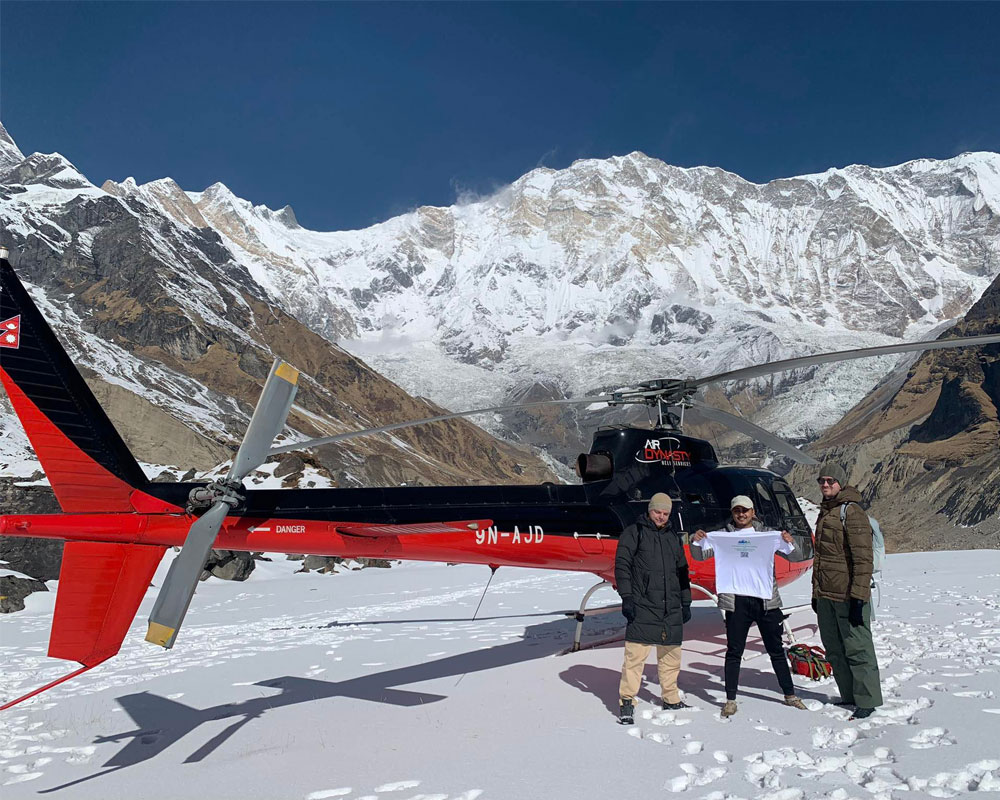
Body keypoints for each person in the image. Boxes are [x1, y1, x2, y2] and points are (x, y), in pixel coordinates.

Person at [691, 495, 810, 718]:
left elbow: (795, 556)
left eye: (745, 510)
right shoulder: (722, 536)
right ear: (732, 512)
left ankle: (790, 694)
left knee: (775, 649)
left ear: (753, 512)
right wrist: (695, 541)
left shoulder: (767, 535)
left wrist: (789, 541)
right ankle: (730, 699)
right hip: (736, 601)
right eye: (737, 510)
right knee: (734, 651)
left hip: (765, 600)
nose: (741, 514)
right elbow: (699, 555)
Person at [812, 463, 883, 720]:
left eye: (831, 480)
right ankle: (849, 695)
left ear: (841, 483)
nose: (826, 484)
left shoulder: (851, 512)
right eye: (822, 480)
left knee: (858, 648)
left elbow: (863, 560)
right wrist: (815, 593)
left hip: (848, 595)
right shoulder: (826, 512)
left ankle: (867, 701)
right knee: (834, 648)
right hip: (826, 596)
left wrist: (858, 597)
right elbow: (821, 559)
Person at [614, 492, 692, 725]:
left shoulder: (672, 537)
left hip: (671, 607)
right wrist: (627, 597)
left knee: (671, 656)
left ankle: (670, 697)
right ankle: (627, 701)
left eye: (665, 513)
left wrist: (686, 602)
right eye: (657, 512)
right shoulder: (634, 532)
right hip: (644, 604)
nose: (661, 517)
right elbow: (622, 565)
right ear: (649, 510)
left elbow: (682, 571)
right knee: (635, 657)